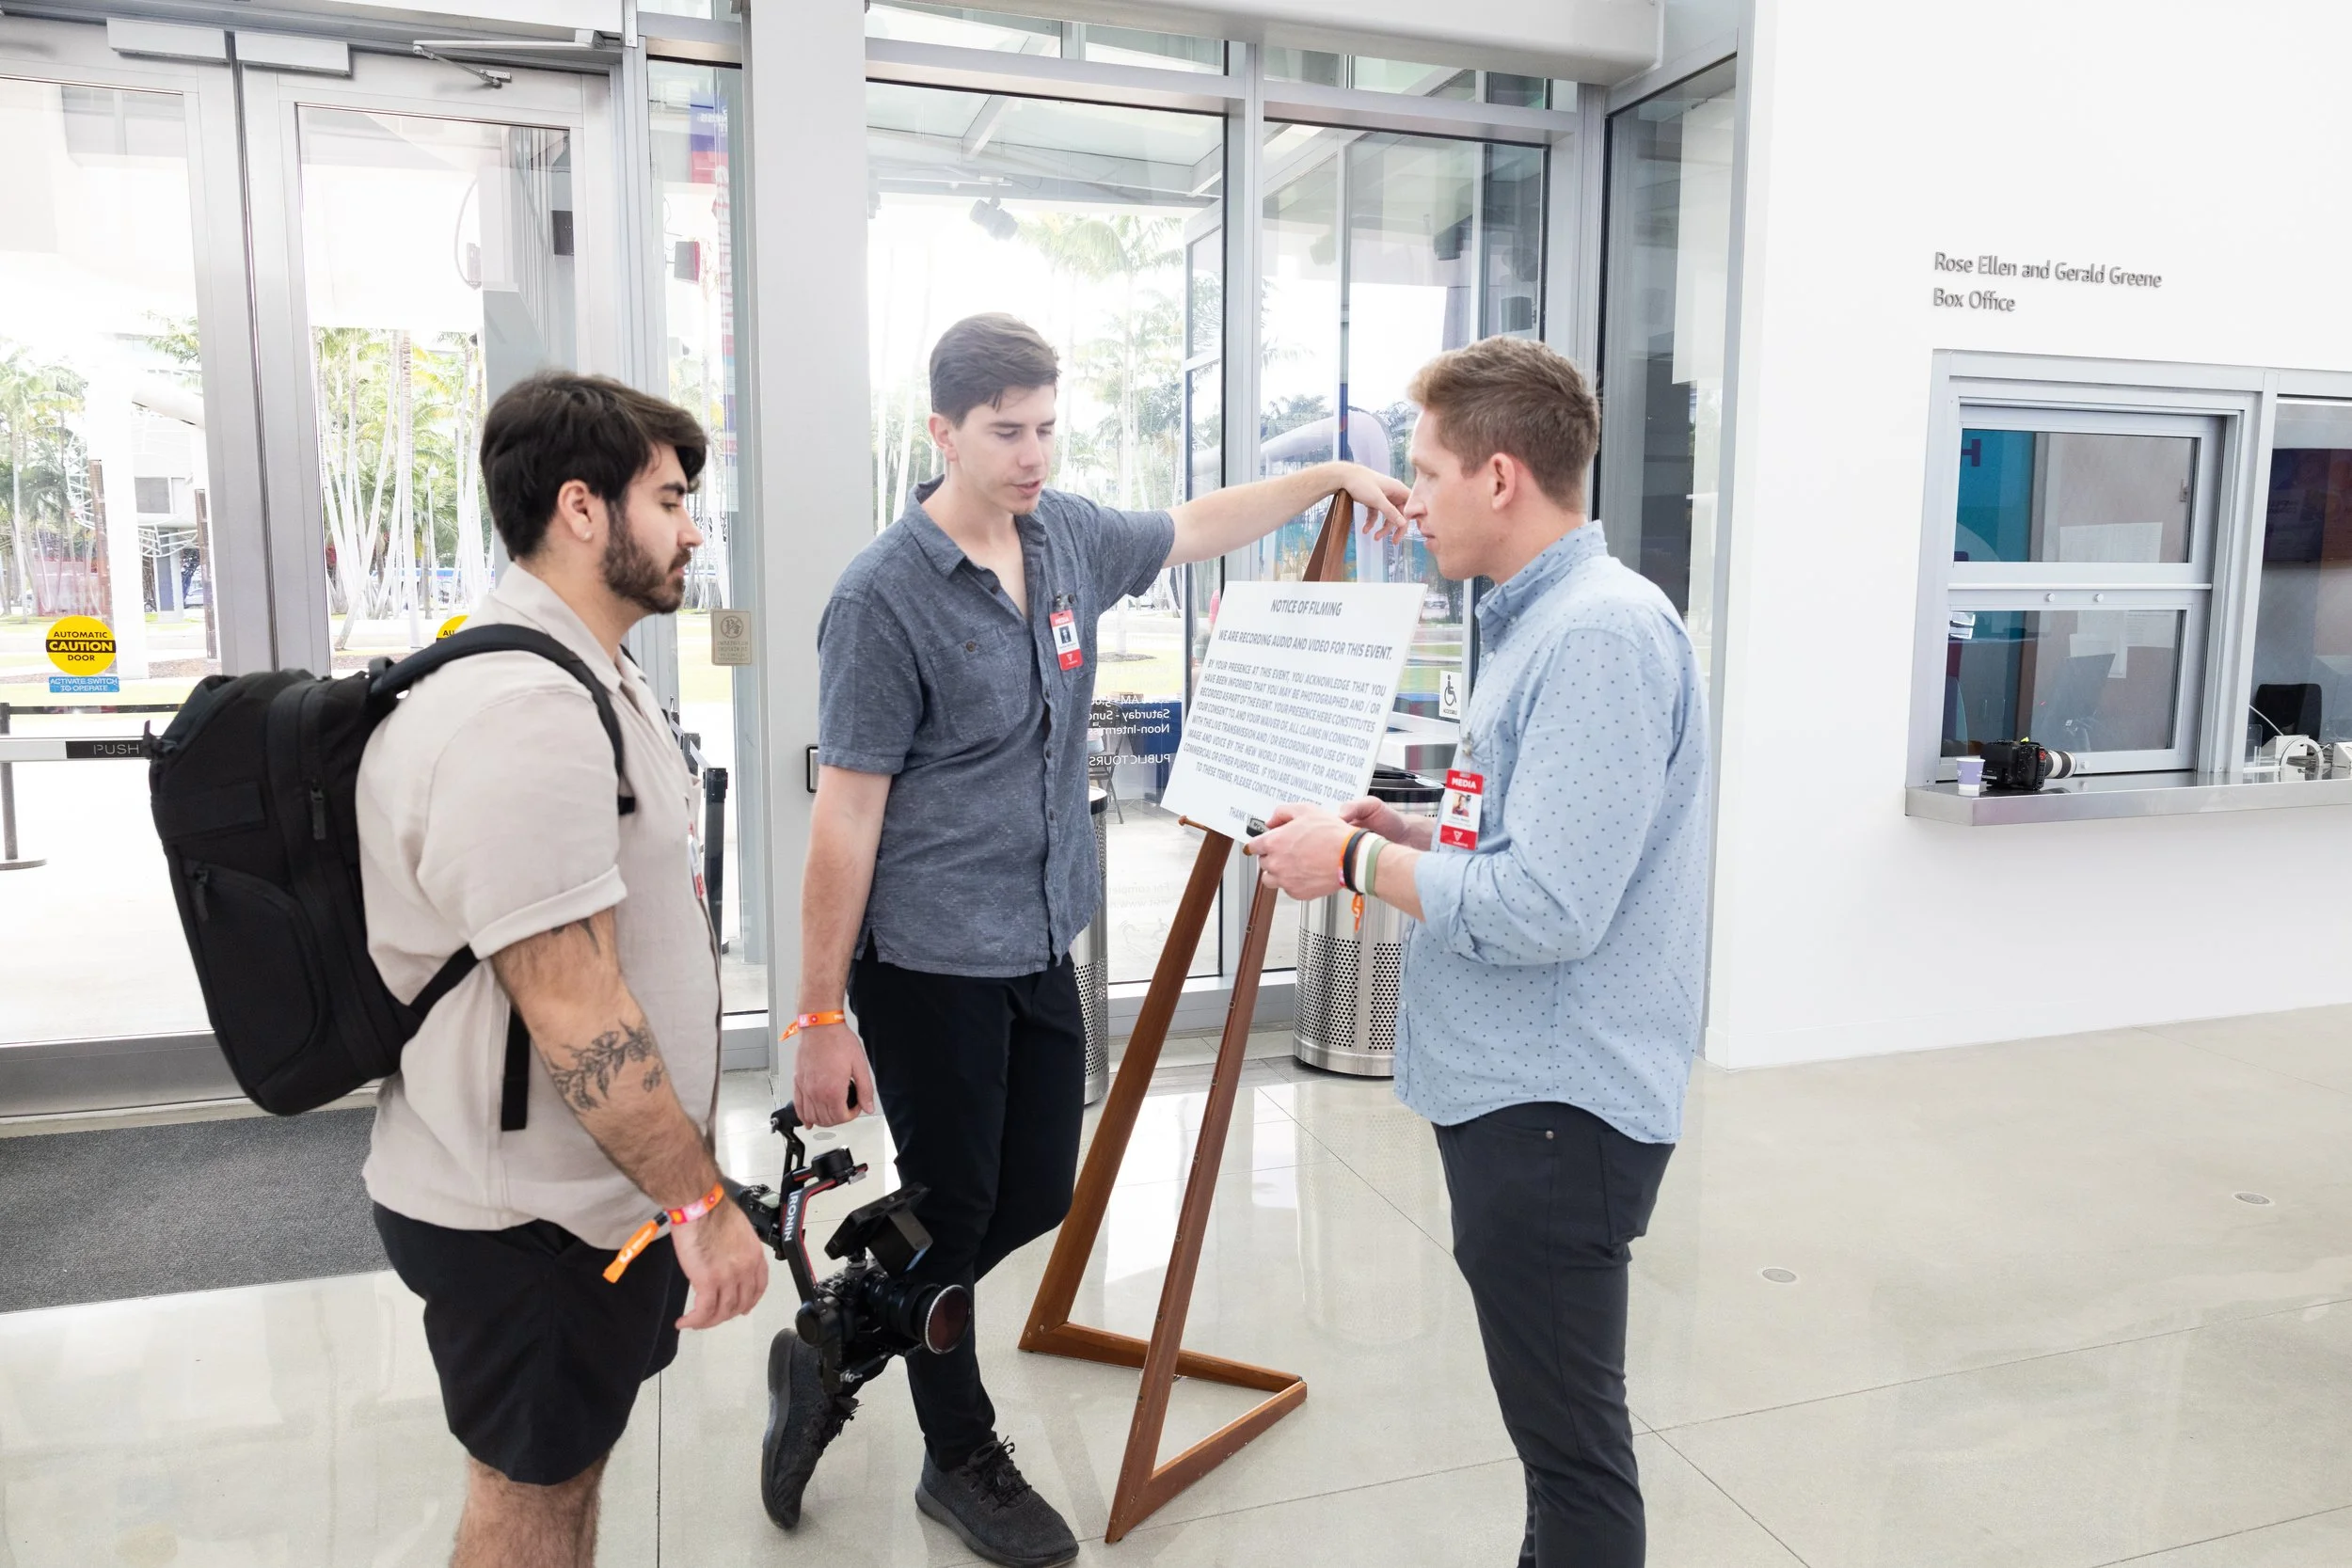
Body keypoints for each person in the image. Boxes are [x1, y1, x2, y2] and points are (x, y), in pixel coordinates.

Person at [776, 311, 1408, 1567]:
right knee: (958, 1211)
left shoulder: (1062, 535)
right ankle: (959, 1455)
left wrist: (1331, 477)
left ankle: (850, 1319)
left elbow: (1194, 525)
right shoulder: (882, 596)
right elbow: (845, 815)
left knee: (1038, 1189)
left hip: (1039, 936)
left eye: (1048, 426)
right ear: (942, 430)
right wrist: (816, 1014)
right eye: (1006, 431)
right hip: (927, 958)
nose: (1033, 454)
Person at [1248, 336, 1710, 1568]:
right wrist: (1401, 828)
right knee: (1555, 1445)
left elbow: (1549, 905)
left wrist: (1348, 865)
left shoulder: (1598, 636)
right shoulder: (1541, 620)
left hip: (1555, 1108)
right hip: (1522, 1092)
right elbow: (1522, 833)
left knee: (1573, 1451)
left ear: (1500, 477)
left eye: (1429, 469)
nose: (1412, 498)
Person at [358, 372, 770, 1568]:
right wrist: (703, 1205)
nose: (693, 527)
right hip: (524, 1221)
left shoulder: (591, 672)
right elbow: (575, 1007)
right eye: (672, 497)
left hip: (583, 1200)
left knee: (564, 1472)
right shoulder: (521, 708)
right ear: (583, 510)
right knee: (528, 1495)